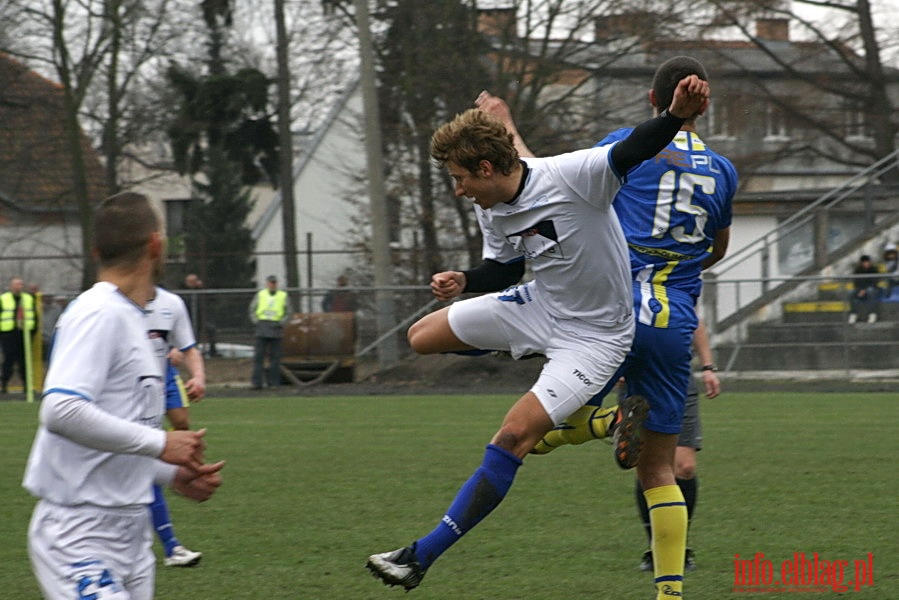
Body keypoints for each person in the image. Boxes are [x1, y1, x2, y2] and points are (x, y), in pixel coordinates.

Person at [365, 73, 711, 594]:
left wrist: (676, 116)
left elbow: (636, 146)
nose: (458, 189)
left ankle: (418, 556)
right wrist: (465, 280)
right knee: (421, 337)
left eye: (460, 178)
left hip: (594, 337)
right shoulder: (492, 205)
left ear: (485, 167)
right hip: (539, 306)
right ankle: (601, 420)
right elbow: (503, 270)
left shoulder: (574, 175)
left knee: (514, 436)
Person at [477, 56, 736, 597]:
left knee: (540, 424)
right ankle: (670, 582)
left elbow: (545, 184)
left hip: (607, 312)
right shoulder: (724, 171)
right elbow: (716, 250)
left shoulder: (627, 142)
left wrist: (506, 124)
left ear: (651, 100)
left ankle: (595, 423)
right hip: (670, 320)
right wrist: (677, 268)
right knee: (665, 468)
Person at [22, 191, 224, 599]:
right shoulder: (98, 312)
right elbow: (60, 410)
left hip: (129, 532)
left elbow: (112, 430)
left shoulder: (132, 316)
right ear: (155, 244)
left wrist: (169, 474)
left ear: (97, 250)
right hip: (80, 535)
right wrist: (161, 443)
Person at [530, 319, 720, 572]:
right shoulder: (623, 284)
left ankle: (679, 547)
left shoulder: (677, 285)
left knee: (684, 467)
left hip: (676, 379)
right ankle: (657, 549)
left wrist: (708, 367)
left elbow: (695, 321)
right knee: (650, 467)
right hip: (637, 380)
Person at [146, 286, 208, 567]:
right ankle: (171, 546)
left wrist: (197, 377)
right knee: (143, 467)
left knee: (182, 426)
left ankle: (170, 546)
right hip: (128, 405)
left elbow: (189, 348)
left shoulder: (171, 303)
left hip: (160, 387)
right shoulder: (101, 306)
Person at [249, 275, 292, 389]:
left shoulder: (283, 296)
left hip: (276, 328)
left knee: (275, 358)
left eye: (274, 283)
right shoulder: (260, 295)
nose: (272, 285)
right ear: (267, 284)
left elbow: (288, 312)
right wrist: (256, 322)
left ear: (276, 284)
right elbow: (252, 310)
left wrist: (281, 323)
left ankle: (273, 383)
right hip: (262, 327)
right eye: (270, 283)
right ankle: (257, 383)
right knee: (259, 357)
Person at [0, 276, 37, 394]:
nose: (18, 286)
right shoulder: (3, 298)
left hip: (24, 334)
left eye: (20, 284)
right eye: (16, 284)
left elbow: (34, 316)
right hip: (8, 334)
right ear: (11, 286)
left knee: (24, 361)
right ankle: (4, 385)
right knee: (8, 360)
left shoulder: (28, 298)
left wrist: (33, 331)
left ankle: (26, 386)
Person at [184, 273, 220, 357]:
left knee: (211, 330)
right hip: (190, 318)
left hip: (203, 317)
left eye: (194, 281)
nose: (193, 283)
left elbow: (211, 298)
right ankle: (193, 353)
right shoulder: (184, 292)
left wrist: (202, 287)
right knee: (194, 336)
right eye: (191, 282)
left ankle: (213, 351)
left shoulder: (201, 290)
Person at [847, 254, 881, 323]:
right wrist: (861, 290)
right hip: (860, 288)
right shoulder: (857, 270)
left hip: (873, 288)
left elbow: (874, 282)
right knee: (850, 293)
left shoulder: (874, 269)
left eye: (867, 262)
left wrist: (864, 290)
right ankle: (853, 314)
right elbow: (856, 282)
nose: (866, 263)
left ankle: (872, 314)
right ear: (861, 263)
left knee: (870, 291)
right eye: (864, 262)